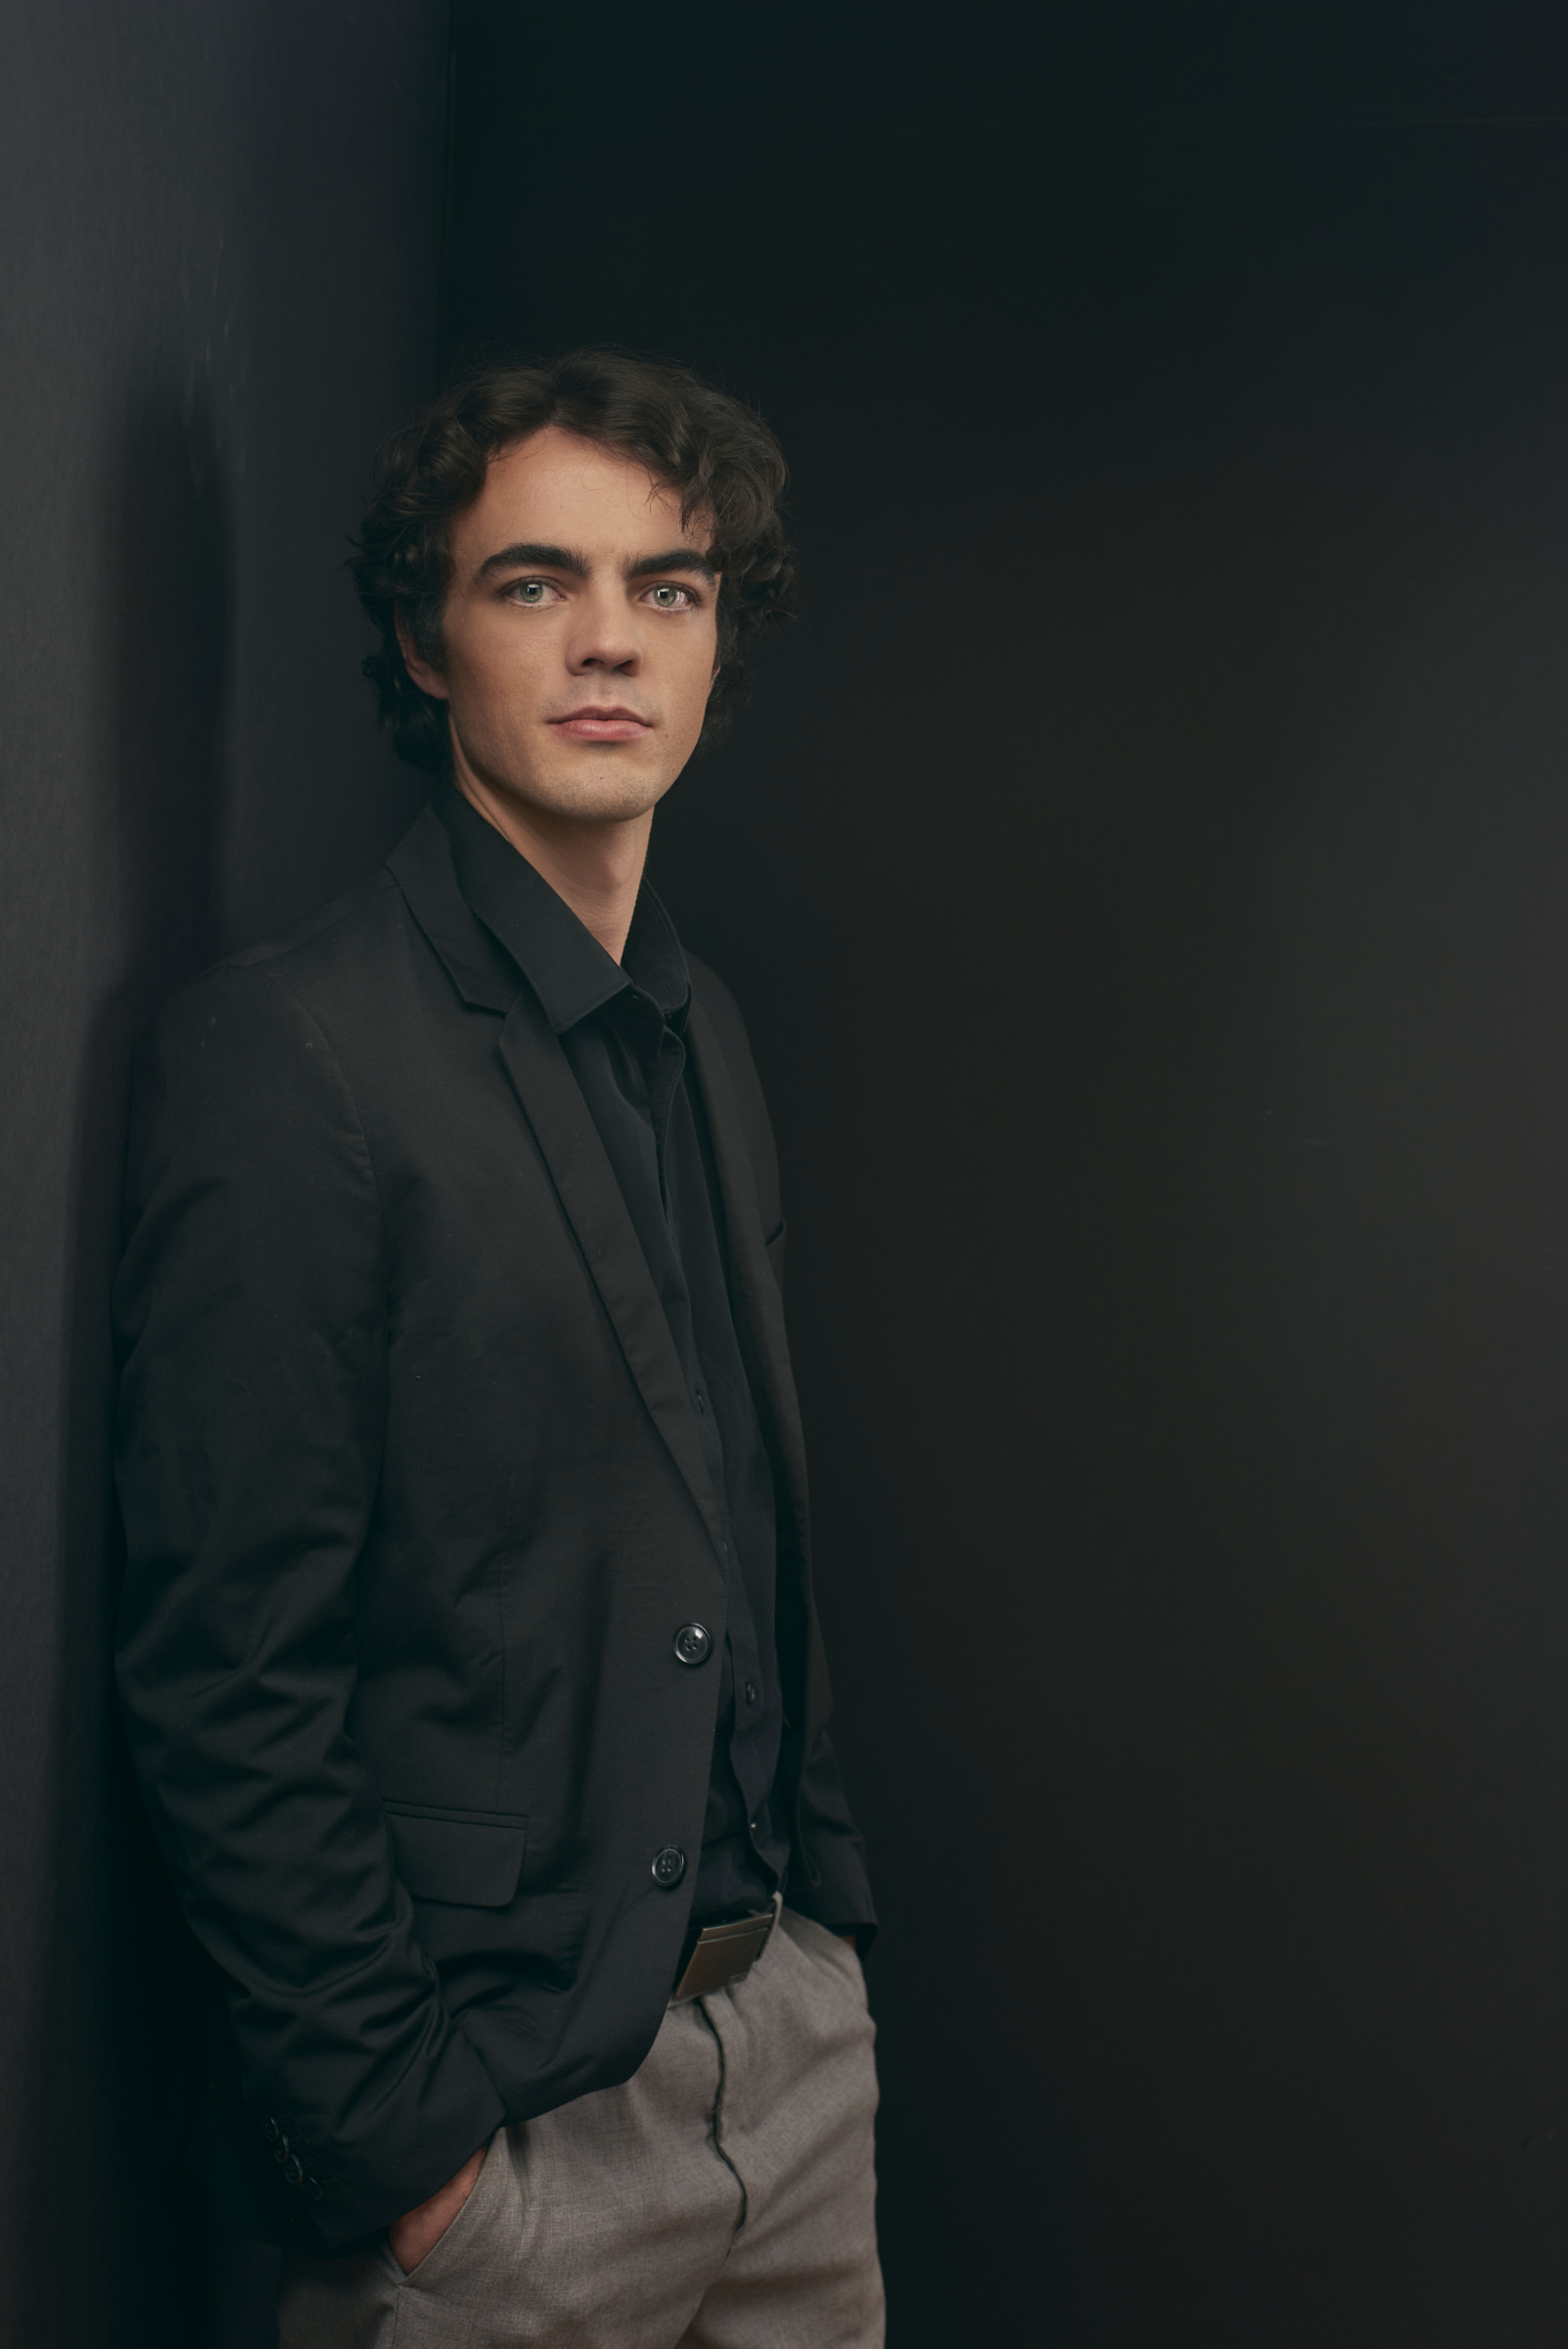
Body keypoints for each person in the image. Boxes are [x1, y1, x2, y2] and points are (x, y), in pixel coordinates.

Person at [113, 350, 881, 2347]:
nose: (609, 639)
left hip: (792, 2077)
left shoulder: (700, 1032)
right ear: (423, 636)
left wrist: (825, 1944)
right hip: (507, 2147)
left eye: (667, 588)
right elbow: (225, 1669)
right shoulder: (289, 1057)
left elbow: (728, 1519)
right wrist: (414, 2157)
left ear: (715, 642)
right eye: (535, 582)